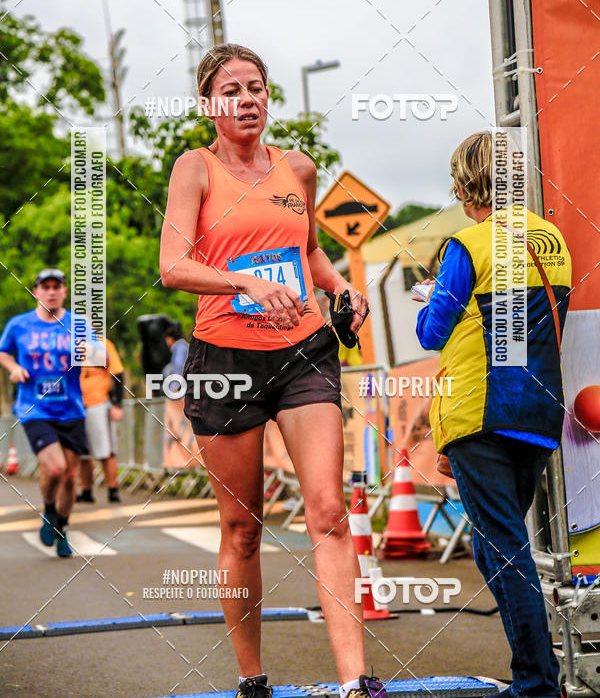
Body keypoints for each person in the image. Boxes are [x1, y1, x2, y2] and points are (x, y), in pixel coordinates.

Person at [160, 44, 386, 698]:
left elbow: (308, 248)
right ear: (210, 105)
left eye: (256, 87)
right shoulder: (194, 168)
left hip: (302, 352)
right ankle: (251, 676)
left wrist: (342, 286)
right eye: (231, 90)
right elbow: (172, 265)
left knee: (329, 512)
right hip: (223, 360)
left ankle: (356, 681)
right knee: (243, 527)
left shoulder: (298, 169)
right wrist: (243, 282)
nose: (247, 99)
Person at [414, 131, 571, 698]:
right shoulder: (552, 237)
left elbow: (433, 332)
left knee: (506, 551)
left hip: (479, 413)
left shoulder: (468, 244)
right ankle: (532, 675)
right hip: (537, 412)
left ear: (464, 185)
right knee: (493, 545)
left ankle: (535, 684)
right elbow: (520, 325)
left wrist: (432, 300)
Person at [0, 269, 102, 557]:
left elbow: (102, 356)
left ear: (65, 292)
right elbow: (3, 352)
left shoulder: (78, 324)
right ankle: (48, 511)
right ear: (36, 292)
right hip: (35, 408)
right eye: (46, 287)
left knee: (70, 476)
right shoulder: (19, 325)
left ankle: (62, 528)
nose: (52, 292)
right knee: (55, 468)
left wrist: (88, 351)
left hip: (71, 409)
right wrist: (14, 368)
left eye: (57, 286)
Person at [76, 336, 125, 504]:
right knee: (83, 453)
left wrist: (118, 404)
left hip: (99, 403)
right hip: (78, 406)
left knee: (106, 450)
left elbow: (118, 372)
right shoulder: (70, 345)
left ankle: (113, 490)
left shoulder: (103, 344)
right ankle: (86, 491)